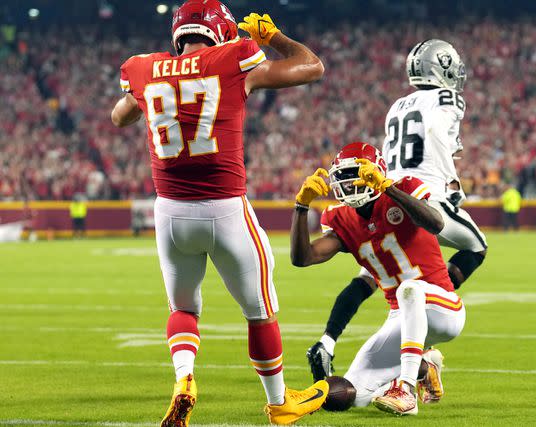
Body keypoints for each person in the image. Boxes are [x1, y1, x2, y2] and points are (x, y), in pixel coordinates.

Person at [110, 2, 327, 425]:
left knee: (184, 308)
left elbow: (119, 117)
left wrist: (148, 95)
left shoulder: (141, 66)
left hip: (170, 214)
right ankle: (279, 402)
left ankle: (185, 379)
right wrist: (274, 39)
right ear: (221, 30)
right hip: (225, 208)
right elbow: (312, 67)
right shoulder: (235, 57)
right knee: (260, 310)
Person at [307, 39, 485, 381]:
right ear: (441, 66)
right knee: (476, 247)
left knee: (371, 275)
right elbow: (434, 133)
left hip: (388, 190)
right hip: (418, 195)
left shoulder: (398, 104)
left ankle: (329, 340)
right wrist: (450, 180)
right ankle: (425, 338)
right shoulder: (448, 97)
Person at [291, 142, 466, 416]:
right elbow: (303, 258)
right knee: (355, 395)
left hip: (442, 307)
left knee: (409, 290)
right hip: (402, 316)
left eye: (355, 177)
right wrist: (301, 206)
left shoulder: (403, 188)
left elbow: (435, 224)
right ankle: (423, 368)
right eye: (343, 179)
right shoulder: (342, 219)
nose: (349, 186)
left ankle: (406, 390)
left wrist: (388, 188)